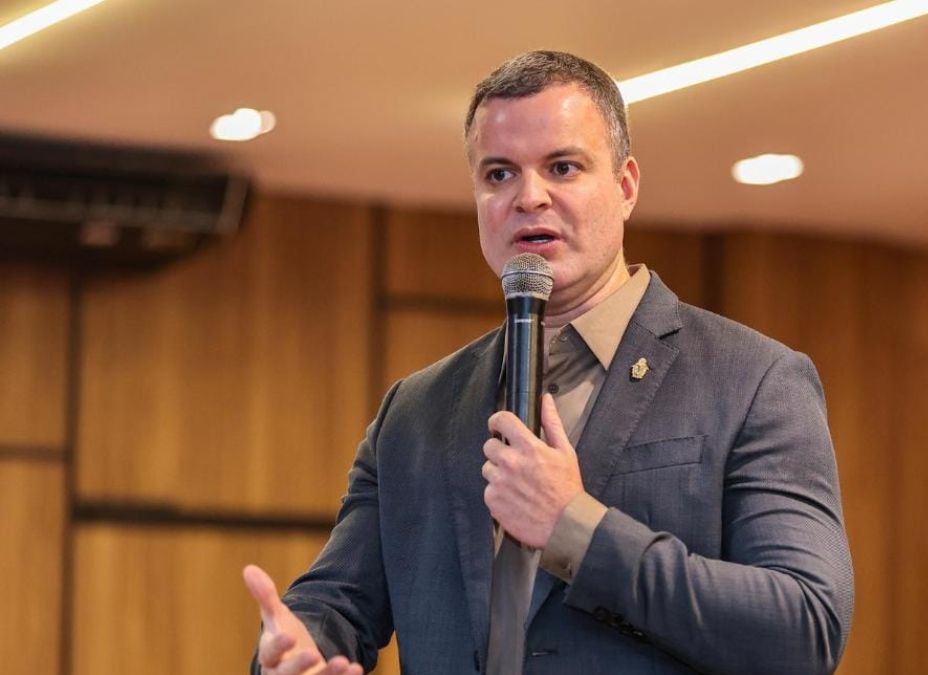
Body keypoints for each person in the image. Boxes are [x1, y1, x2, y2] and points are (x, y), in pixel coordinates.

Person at [244, 50, 853, 675]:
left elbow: (805, 629)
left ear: (625, 186)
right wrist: (296, 651)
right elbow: (338, 604)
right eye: (499, 174)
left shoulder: (753, 380)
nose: (528, 197)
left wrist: (576, 529)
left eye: (563, 167)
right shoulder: (415, 411)